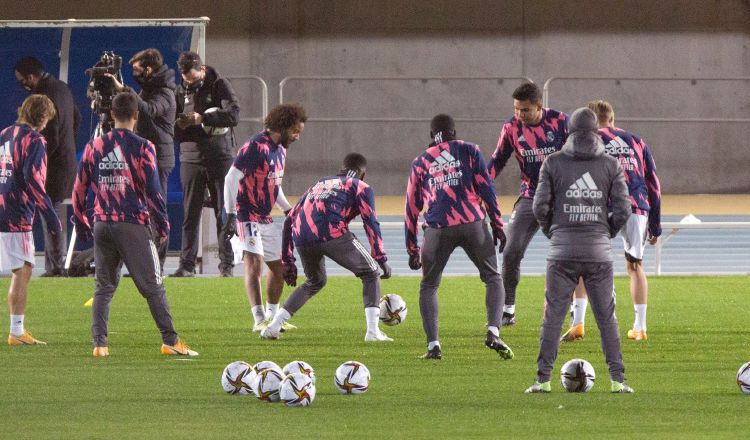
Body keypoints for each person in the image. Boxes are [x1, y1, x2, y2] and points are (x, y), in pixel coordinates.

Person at [71, 92, 197, 357]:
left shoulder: (94, 147)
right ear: (137, 116)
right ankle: (170, 341)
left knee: (104, 287)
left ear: (112, 115)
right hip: (132, 223)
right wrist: (162, 224)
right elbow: (153, 190)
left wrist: (82, 220)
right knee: (153, 285)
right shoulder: (143, 147)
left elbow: (79, 188)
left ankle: (100, 345)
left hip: (102, 223)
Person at [526, 107, 633, 393]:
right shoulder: (611, 165)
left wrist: (553, 231)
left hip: (561, 253)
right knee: (606, 318)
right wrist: (605, 232)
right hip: (599, 253)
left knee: (553, 317)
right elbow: (623, 209)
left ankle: (542, 381)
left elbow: (539, 206)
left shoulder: (552, 162)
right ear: (597, 131)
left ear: (569, 132)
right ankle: (617, 381)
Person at [405, 114, 512, 360]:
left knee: (429, 286)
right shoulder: (470, 150)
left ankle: (433, 346)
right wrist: (497, 224)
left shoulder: (421, 161)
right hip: (473, 222)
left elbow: (411, 207)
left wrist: (411, 247)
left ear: (432, 136)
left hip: (438, 227)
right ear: (454, 132)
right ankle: (494, 332)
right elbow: (487, 188)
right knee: (493, 278)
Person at [260, 153, 393, 341]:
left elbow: (290, 219)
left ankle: (274, 326)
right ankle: (372, 332)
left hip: (302, 237)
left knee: (315, 281)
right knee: (371, 273)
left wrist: (287, 260)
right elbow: (370, 221)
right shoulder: (360, 186)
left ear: (342, 168)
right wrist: (381, 258)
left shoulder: (320, 183)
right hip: (331, 232)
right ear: (362, 174)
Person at [560, 100, 662, 342]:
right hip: (636, 206)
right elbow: (653, 184)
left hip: (602, 206)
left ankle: (578, 323)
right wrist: (655, 224)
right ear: (612, 119)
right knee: (635, 266)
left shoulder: (588, 141)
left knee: (582, 263)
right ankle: (640, 328)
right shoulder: (636, 141)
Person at [488, 82, 568, 326]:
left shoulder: (560, 122)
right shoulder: (511, 127)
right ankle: (508, 309)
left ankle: (576, 310)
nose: (519, 115)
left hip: (560, 197)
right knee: (511, 251)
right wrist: (479, 187)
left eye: (524, 110)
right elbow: (497, 160)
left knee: (572, 254)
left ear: (539, 107)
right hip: (530, 196)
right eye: (516, 109)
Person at [223, 104, 304, 333]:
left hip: (265, 216)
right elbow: (231, 178)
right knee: (254, 264)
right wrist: (230, 214)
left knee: (279, 268)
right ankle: (258, 319)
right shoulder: (255, 147)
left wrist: (288, 209)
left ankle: (273, 316)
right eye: (296, 131)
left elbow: (273, 183)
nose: (297, 136)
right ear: (284, 126)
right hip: (246, 214)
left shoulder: (281, 149)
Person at [106, 48, 177, 271]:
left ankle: (159, 264)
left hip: (159, 158)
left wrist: (126, 92)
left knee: (157, 209)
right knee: (143, 210)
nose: (134, 73)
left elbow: (149, 111)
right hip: (145, 157)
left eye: (136, 69)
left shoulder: (164, 92)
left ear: (149, 68)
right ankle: (144, 261)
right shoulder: (149, 89)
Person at [171, 51, 240, 277]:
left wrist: (203, 118)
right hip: (190, 158)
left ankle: (226, 266)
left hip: (220, 157)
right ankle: (186, 265)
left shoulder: (219, 84)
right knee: (190, 214)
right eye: (185, 79)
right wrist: (178, 125)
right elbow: (168, 124)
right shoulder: (178, 89)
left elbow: (233, 116)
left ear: (201, 69)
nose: (188, 82)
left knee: (224, 212)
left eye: (192, 78)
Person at [1, 95, 61, 345]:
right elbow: (34, 180)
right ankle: (16, 331)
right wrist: (50, 216)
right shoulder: (34, 140)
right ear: (42, 117)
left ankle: (17, 331)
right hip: (16, 215)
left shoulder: (5, 133)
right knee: (22, 270)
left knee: (20, 269)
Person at [15, 56, 81, 277]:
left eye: (22, 80)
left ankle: (55, 267)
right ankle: (55, 264)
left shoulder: (42, 97)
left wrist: (38, 160)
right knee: (51, 213)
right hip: (67, 161)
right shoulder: (62, 87)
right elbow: (77, 117)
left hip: (53, 166)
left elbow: (49, 135)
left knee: (47, 213)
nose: (22, 85)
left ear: (31, 77)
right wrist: (68, 143)